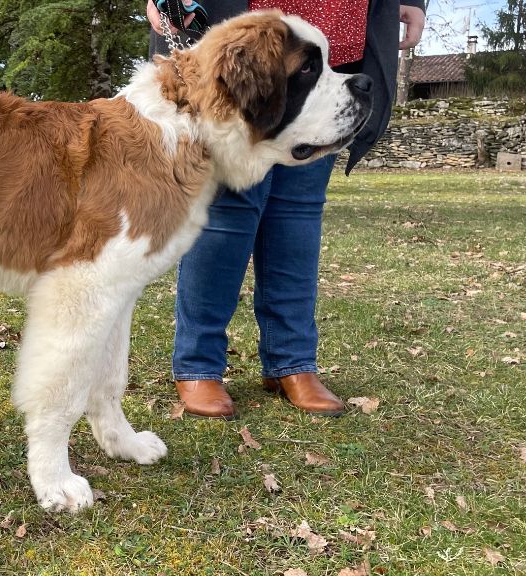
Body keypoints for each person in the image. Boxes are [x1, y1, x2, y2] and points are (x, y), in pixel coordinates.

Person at [147, 0, 426, 418]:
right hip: (241, 34)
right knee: (226, 212)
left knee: (299, 210)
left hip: (336, 20)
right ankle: (199, 364)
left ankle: (292, 362)